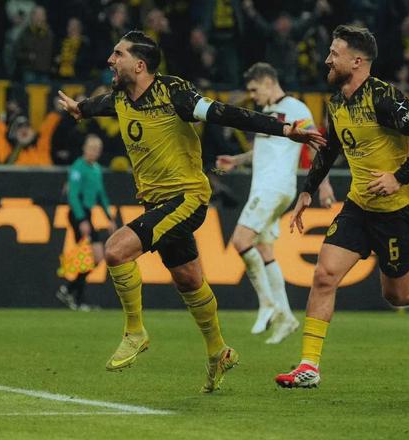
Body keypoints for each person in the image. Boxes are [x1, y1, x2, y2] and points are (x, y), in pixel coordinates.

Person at [58, 30, 324, 393]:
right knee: (188, 280)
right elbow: (101, 105)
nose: (110, 60)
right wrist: (80, 109)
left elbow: (225, 114)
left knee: (117, 250)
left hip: (186, 198)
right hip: (156, 202)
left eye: (118, 54)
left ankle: (134, 332)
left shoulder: (174, 93)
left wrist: (283, 129)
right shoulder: (121, 97)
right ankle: (219, 351)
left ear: (140, 65)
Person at [274, 25, 409, 389]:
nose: (327, 60)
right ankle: (308, 366)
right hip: (359, 205)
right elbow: (331, 148)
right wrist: (307, 191)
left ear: (357, 61)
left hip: (398, 210)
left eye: (334, 53)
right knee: (324, 275)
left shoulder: (383, 97)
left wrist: (399, 177)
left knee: (398, 295)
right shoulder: (337, 102)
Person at [215, 62, 335, 344]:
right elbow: (265, 148)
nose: (253, 96)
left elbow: (316, 145)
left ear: (268, 82)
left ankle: (267, 303)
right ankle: (287, 318)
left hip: (274, 186)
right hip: (266, 186)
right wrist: (237, 160)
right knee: (264, 249)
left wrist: (324, 184)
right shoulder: (268, 112)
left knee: (240, 241)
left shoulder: (295, 108)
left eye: (254, 89)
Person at [56, 134, 117, 311]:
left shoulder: (96, 169)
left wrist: (109, 217)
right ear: (85, 148)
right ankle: (78, 298)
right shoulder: (78, 168)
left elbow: (101, 195)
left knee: (95, 257)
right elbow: (73, 195)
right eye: (91, 148)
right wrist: (82, 219)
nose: (94, 152)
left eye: (97, 149)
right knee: (89, 256)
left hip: (87, 214)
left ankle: (68, 290)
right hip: (78, 214)